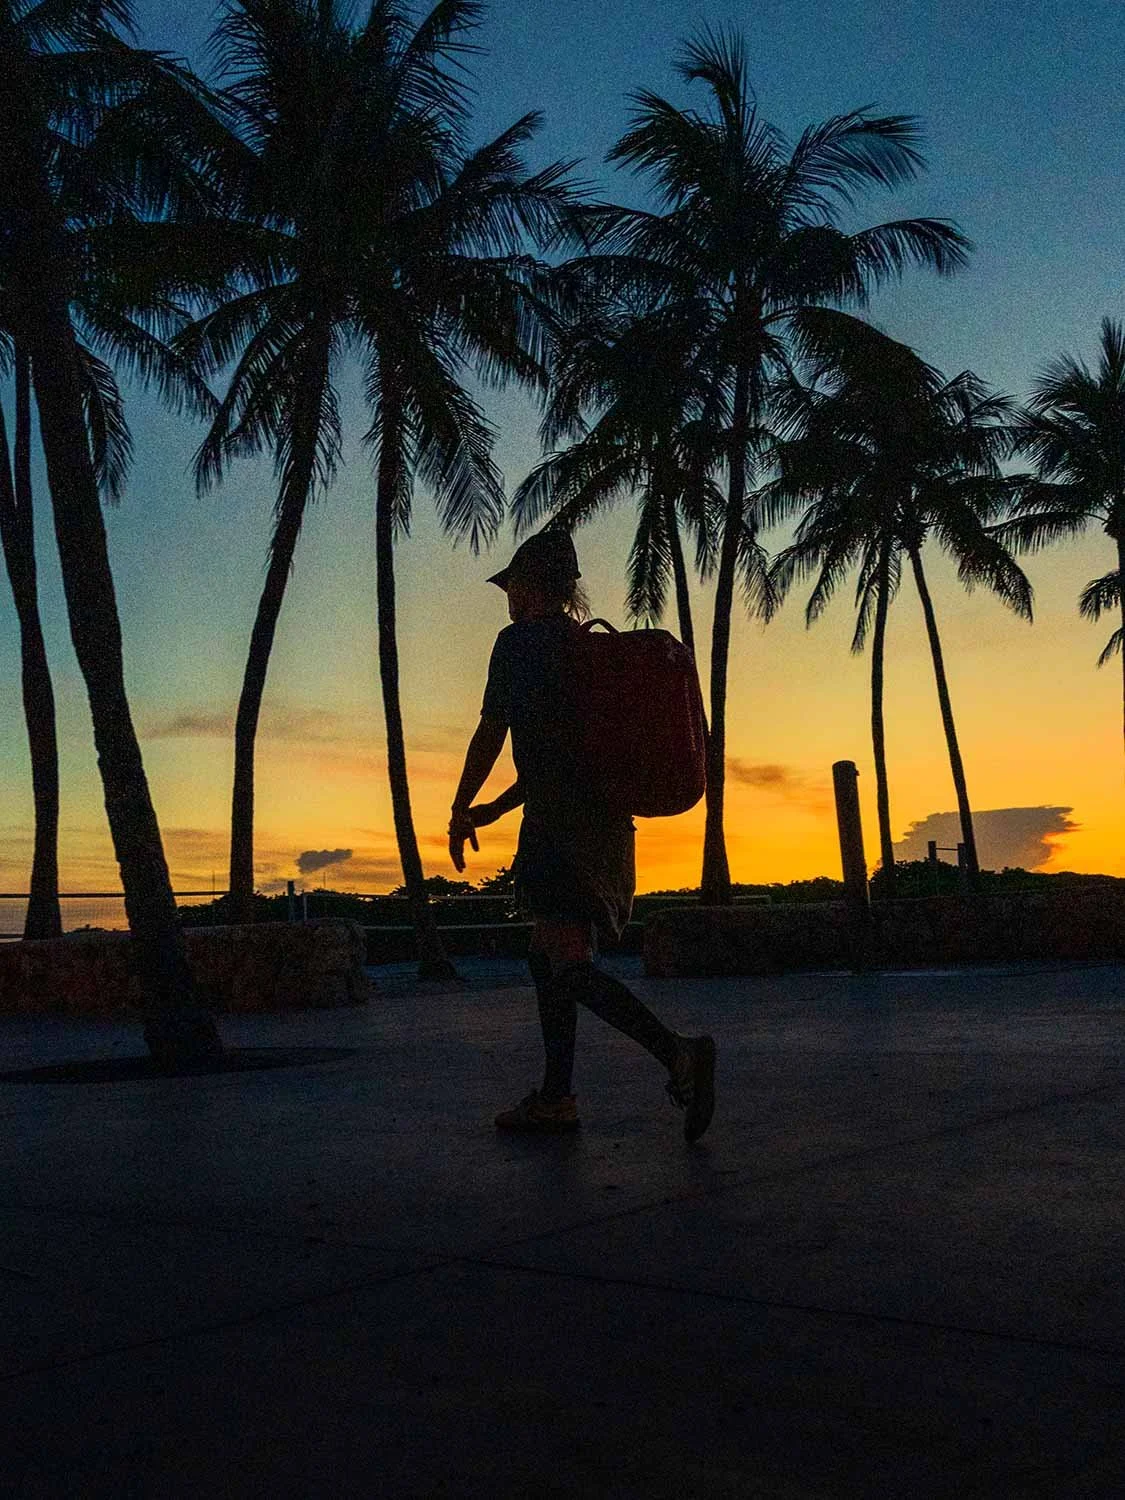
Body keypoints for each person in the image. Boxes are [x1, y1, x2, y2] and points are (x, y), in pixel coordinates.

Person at [448, 528, 716, 1142]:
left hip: (561, 830)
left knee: (565, 963)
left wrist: (461, 806)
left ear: (528, 587)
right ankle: (557, 1096)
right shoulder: (582, 649)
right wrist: (496, 808)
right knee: (550, 958)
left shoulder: (518, 643)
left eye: (510, 586)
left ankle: (678, 1055)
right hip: (601, 826)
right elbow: (562, 755)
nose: (507, 598)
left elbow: (494, 731)